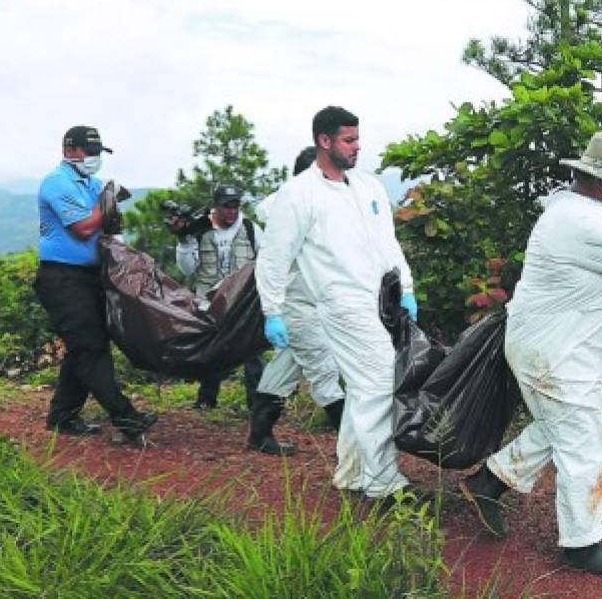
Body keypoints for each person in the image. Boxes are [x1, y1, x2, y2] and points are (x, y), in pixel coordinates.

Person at [459, 132, 602, 575]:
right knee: (587, 449)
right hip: (556, 356)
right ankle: (582, 545)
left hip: (554, 350)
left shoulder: (575, 211)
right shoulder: (581, 221)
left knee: (558, 428)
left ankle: (488, 482)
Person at [255, 106, 419, 503]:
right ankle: (383, 484)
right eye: (348, 140)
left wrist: (408, 287)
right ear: (324, 141)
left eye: (358, 138)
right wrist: (272, 310)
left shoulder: (368, 187)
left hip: (380, 299)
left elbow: (387, 242)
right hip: (339, 303)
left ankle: (351, 473)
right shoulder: (298, 195)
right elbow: (275, 257)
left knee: (366, 388)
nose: (357, 146)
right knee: (379, 382)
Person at [34, 125, 157, 441]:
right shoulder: (56, 183)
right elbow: (84, 228)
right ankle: (125, 417)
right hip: (61, 278)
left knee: (85, 347)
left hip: (90, 277)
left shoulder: (92, 183)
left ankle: (62, 416)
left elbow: (111, 227)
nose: (94, 158)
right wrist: (109, 201)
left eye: (98, 153)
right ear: (70, 150)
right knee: (90, 347)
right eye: (89, 152)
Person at [251, 147, 346, 456]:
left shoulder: (318, 207)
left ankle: (259, 433)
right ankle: (356, 445)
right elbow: (271, 265)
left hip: (312, 303)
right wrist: (272, 312)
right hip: (295, 307)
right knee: (325, 370)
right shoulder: (285, 213)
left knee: (286, 367)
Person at [171, 184, 265, 413]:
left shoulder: (251, 229)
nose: (231, 211)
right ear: (216, 206)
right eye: (226, 206)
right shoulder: (200, 229)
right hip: (209, 301)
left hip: (244, 299)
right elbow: (187, 269)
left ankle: (256, 405)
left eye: (235, 205)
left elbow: (266, 259)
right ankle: (206, 399)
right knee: (212, 350)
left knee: (252, 353)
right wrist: (185, 240)